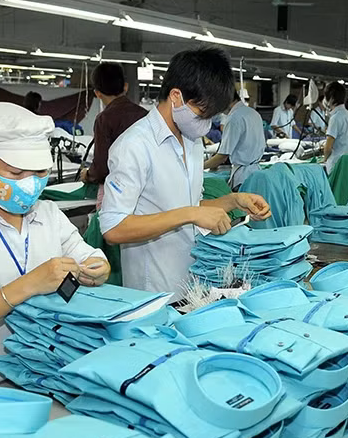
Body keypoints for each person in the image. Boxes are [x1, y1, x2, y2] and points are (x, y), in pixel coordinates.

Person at [0, 102, 110, 388]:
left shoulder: (49, 215)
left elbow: (92, 258)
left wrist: (96, 269)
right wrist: (28, 285)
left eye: (39, 173)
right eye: (16, 174)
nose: (30, 185)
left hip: (47, 374)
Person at [100, 48, 271, 300]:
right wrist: (189, 214)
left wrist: (234, 201)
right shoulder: (134, 146)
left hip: (193, 284)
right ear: (176, 96)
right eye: (202, 114)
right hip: (154, 292)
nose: (206, 124)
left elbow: (192, 205)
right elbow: (113, 227)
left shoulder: (191, 140)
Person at [81, 63, 148, 209]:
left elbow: (102, 168)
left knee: (110, 228)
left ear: (97, 93)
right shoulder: (145, 116)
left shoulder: (104, 119)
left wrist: (87, 175)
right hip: (146, 190)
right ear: (125, 86)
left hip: (115, 192)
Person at [204, 91, 266, 190]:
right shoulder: (253, 113)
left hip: (243, 177)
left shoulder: (234, 118)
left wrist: (200, 167)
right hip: (256, 173)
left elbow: (222, 156)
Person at [322, 81, 348, 174]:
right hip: (347, 165)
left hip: (336, 165)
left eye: (326, 97)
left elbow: (328, 147)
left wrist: (324, 159)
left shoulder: (335, 118)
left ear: (331, 98)